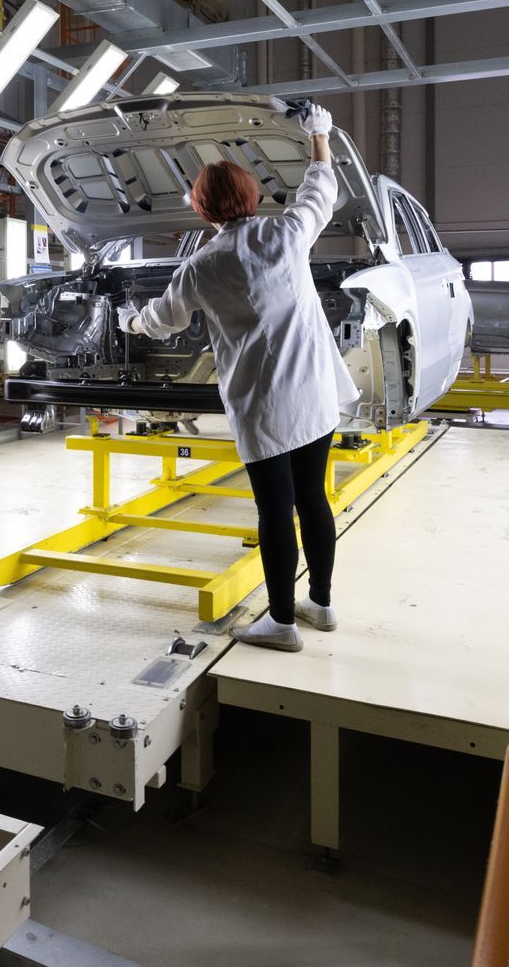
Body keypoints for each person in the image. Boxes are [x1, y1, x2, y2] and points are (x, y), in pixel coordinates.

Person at [119, 104, 358, 652]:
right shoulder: (287, 233)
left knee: (274, 510)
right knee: (313, 501)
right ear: (251, 196)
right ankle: (319, 605)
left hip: (263, 406)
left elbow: (162, 321)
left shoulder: (200, 266)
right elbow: (320, 188)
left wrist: (132, 320)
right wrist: (317, 133)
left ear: (204, 210)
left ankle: (281, 623)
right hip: (314, 393)